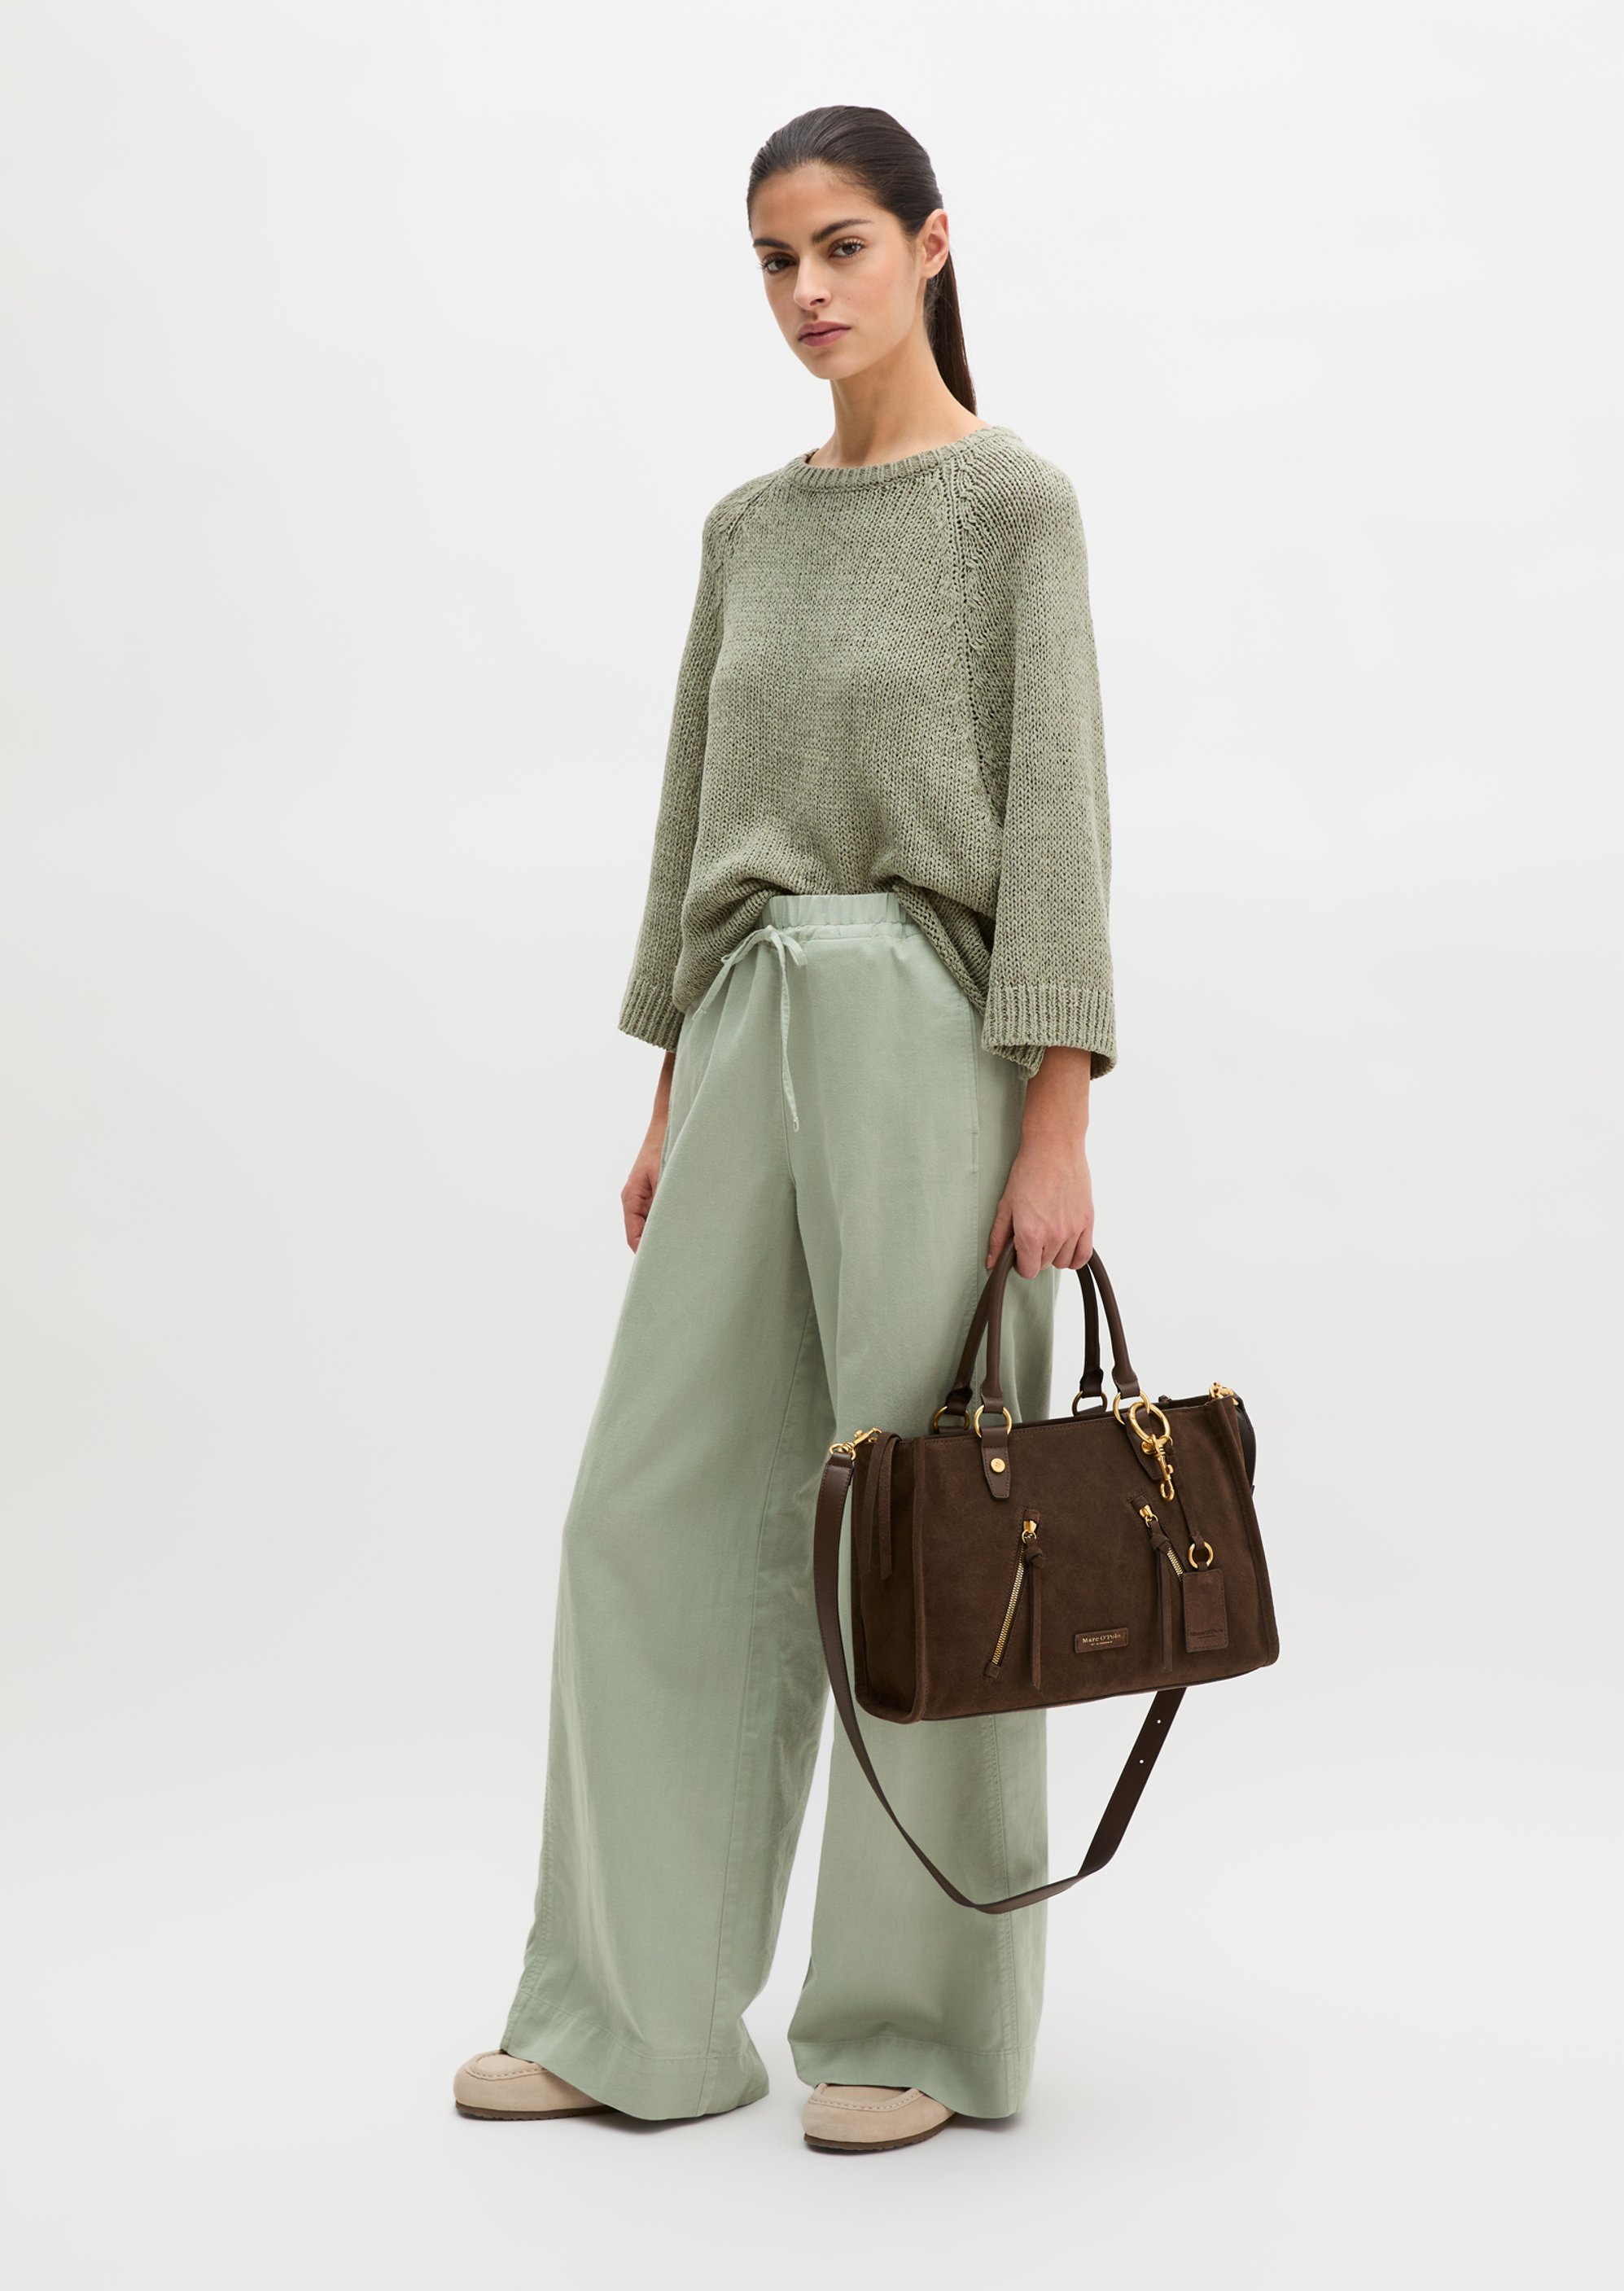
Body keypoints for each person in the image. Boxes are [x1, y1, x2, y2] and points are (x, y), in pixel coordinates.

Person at [453, 102, 1117, 2155]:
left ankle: (913, 2027)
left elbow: (1059, 823)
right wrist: (671, 1086)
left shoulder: (1012, 508)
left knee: (928, 1524)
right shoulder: (747, 528)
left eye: (840, 247)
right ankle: (630, 2017)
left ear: (930, 245)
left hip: (931, 1029)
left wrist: (1055, 1121)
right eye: (772, 258)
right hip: (743, 1023)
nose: (805, 291)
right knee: (647, 1512)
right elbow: (693, 824)